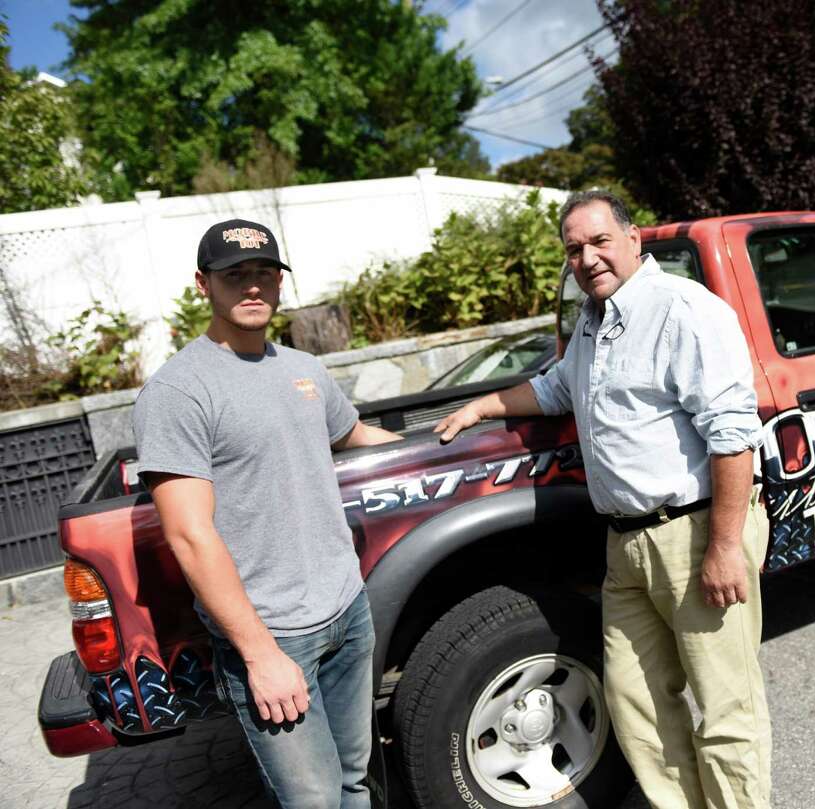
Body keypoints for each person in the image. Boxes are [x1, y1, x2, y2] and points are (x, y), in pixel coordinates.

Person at [435, 191, 772, 808]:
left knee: (726, 706)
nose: (587, 258)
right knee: (635, 702)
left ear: (634, 238)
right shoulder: (593, 323)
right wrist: (481, 407)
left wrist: (725, 546)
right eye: (573, 249)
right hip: (626, 543)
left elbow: (732, 437)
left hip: (696, 533)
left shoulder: (682, 311)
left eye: (599, 241)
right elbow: (554, 389)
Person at [132, 218, 400, 809]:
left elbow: (352, 433)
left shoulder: (304, 369)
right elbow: (189, 535)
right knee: (314, 801)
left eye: (264, 273)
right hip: (274, 635)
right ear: (203, 284)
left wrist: (447, 439)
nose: (252, 286)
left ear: (280, 283)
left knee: (354, 782)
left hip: (347, 611)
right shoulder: (179, 391)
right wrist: (260, 655)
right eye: (235, 275)